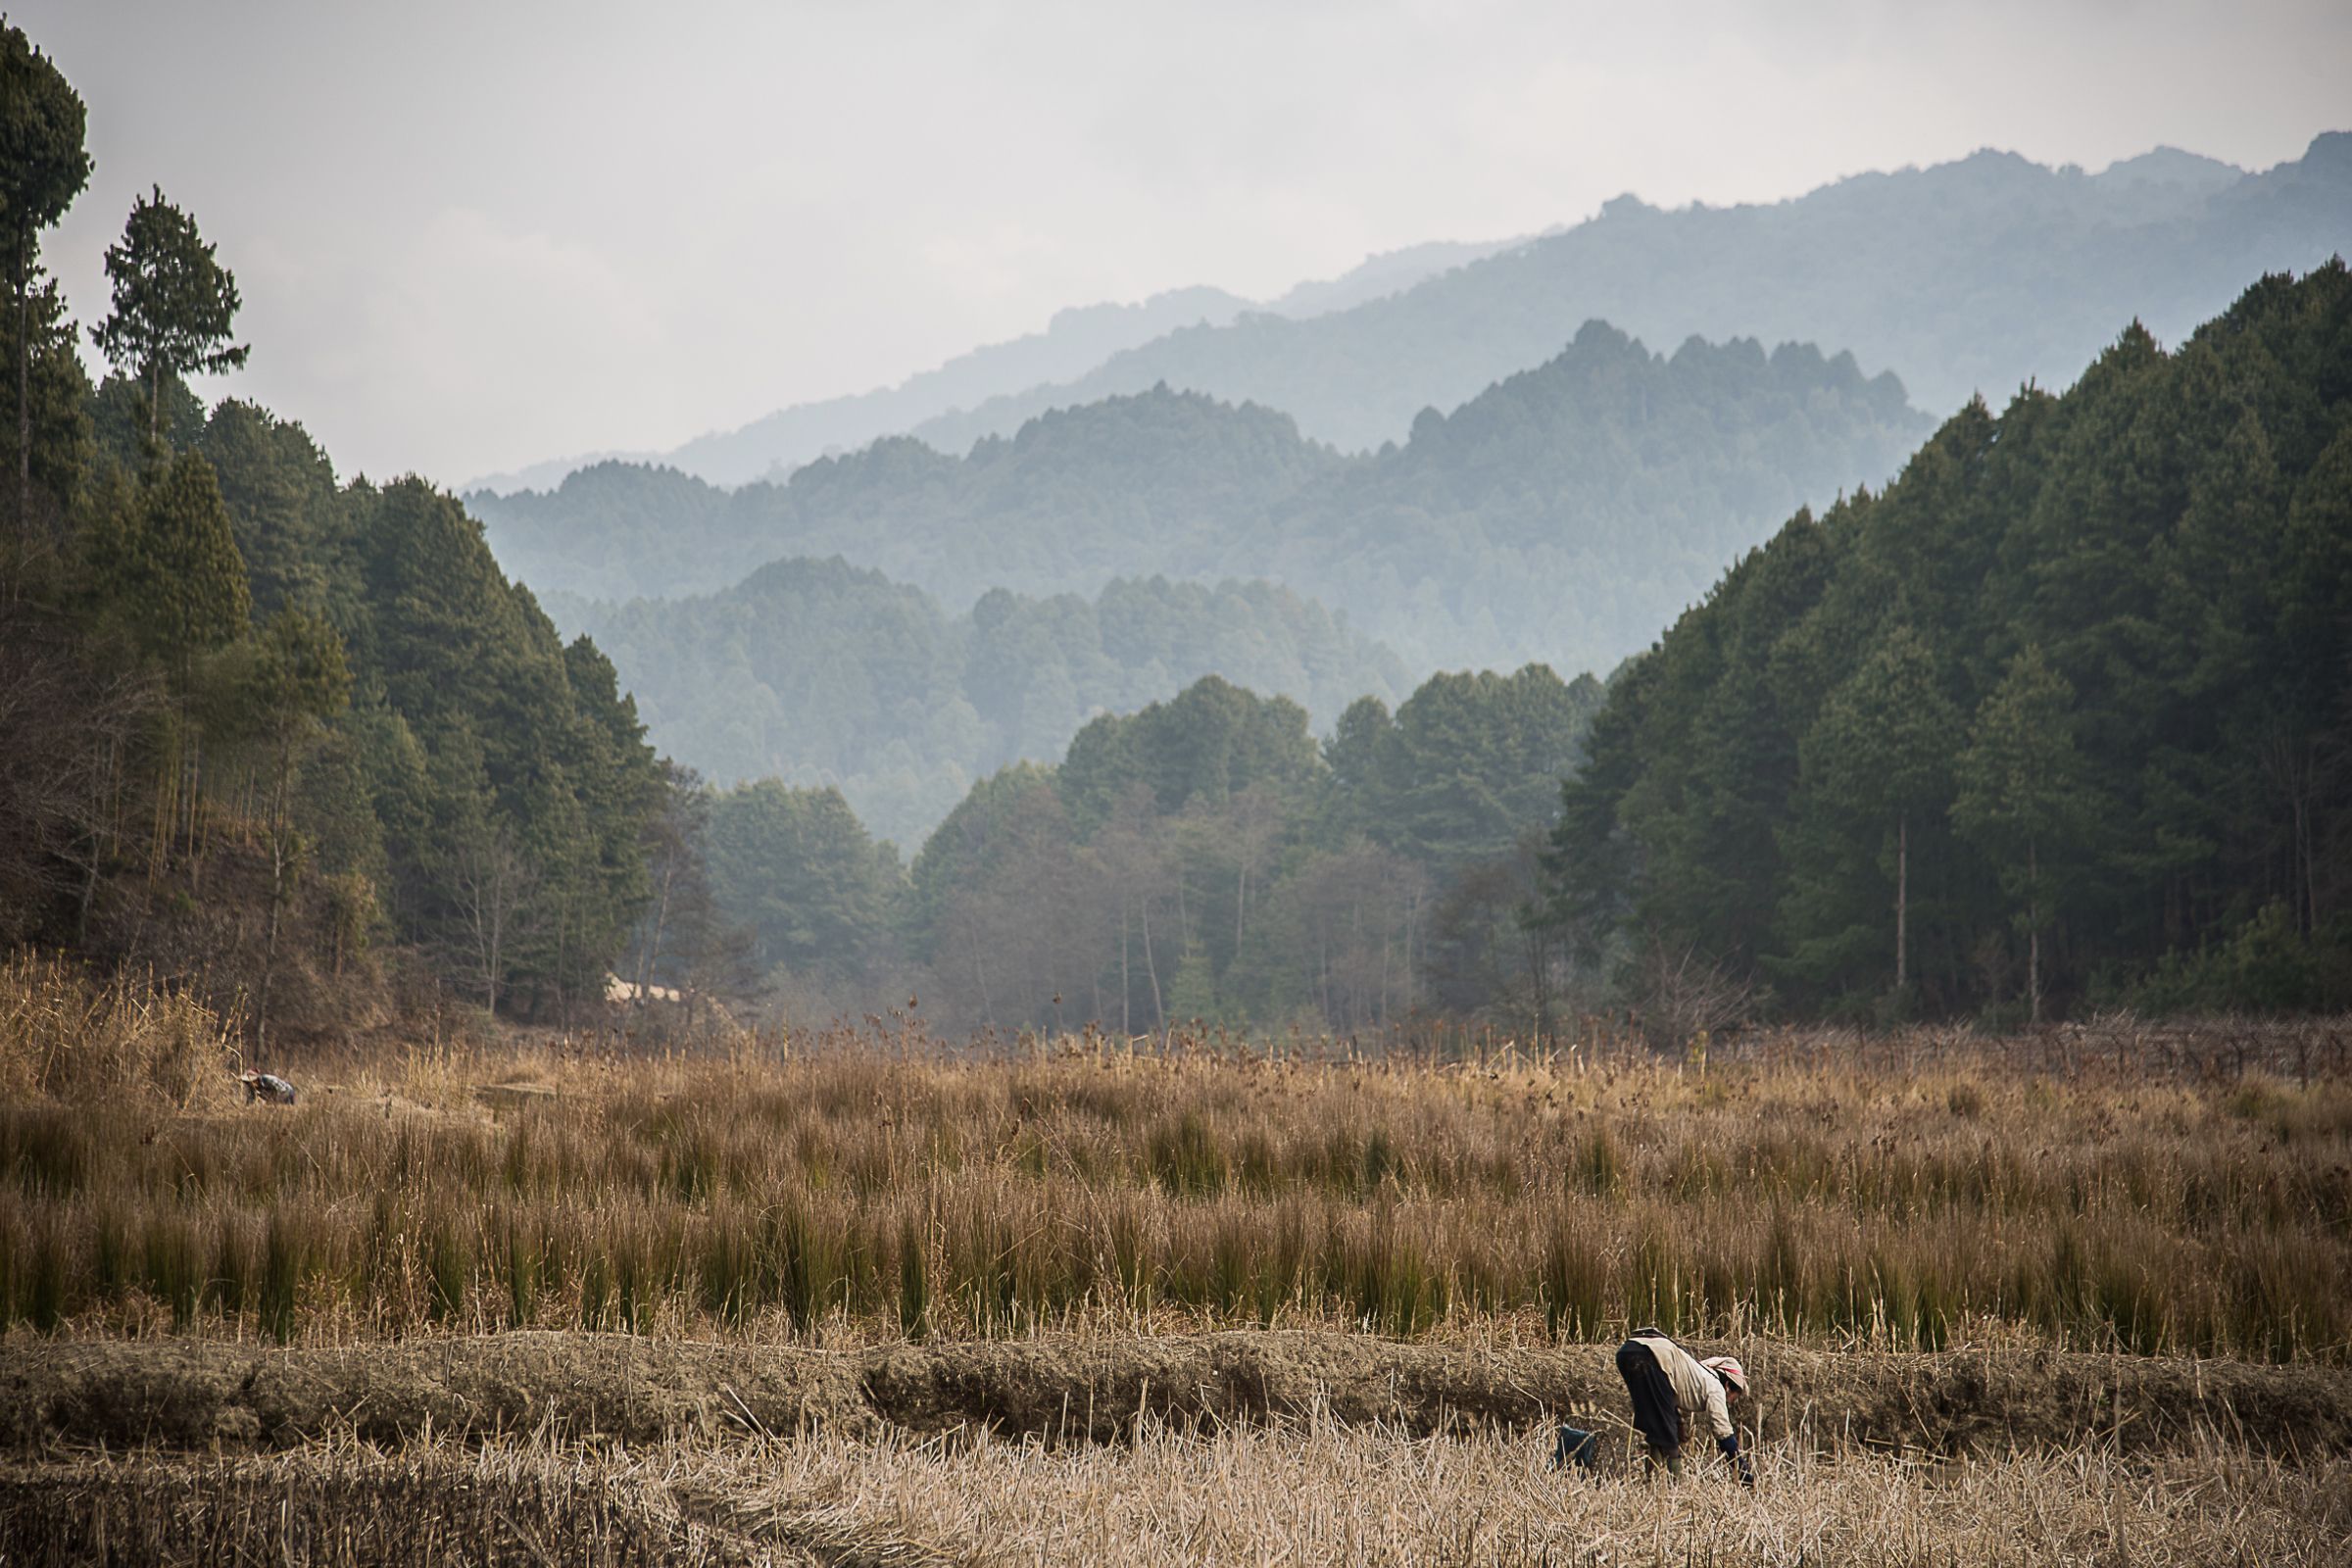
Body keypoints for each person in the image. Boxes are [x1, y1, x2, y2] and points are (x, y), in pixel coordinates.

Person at [1615, 1326, 1753, 1485]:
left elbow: (1667, 1395)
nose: (1732, 1401)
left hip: (1627, 1352)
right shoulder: (1715, 1387)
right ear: (1728, 1385)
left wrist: (1678, 1421)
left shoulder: (1697, 1374)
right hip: (1649, 1356)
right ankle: (1676, 1485)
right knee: (1668, 1436)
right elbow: (1723, 1432)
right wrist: (1740, 1467)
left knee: (1657, 1430)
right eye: (1735, 1396)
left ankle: (1651, 1485)